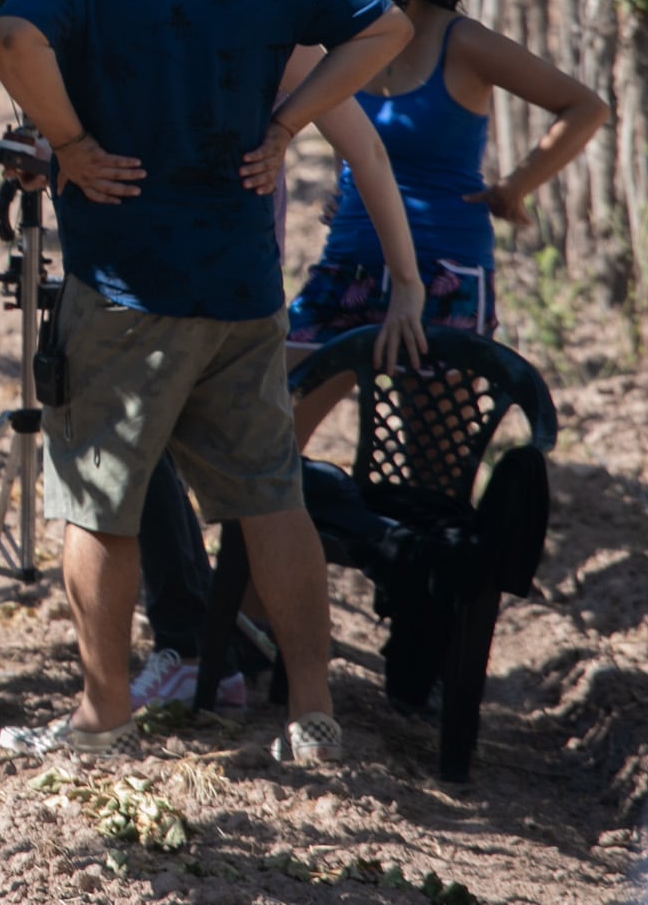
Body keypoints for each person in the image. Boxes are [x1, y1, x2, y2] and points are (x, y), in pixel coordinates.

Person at [0, 0, 412, 765]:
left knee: (100, 504)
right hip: (240, 288)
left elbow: (13, 42)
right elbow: (382, 26)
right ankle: (312, 710)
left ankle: (104, 713)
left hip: (127, 288)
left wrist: (70, 144)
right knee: (270, 497)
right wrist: (288, 119)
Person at [127, 46, 428, 712]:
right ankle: (285, 681)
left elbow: (368, 139)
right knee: (262, 482)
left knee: (174, 469)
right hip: (249, 292)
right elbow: (368, 140)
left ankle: (185, 655)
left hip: (174, 295)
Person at [290, 0, 609, 430]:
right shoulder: (338, 39)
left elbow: (585, 107)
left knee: (433, 464)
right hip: (349, 265)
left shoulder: (462, 43)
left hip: (444, 276)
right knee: (268, 435)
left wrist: (515, 187)